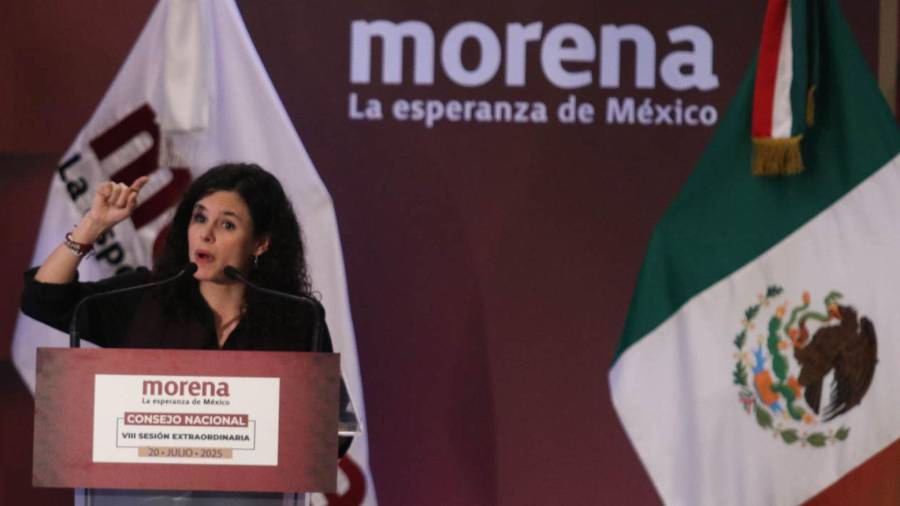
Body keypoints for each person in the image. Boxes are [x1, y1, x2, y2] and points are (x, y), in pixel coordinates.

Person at [21, 162, 330, 353]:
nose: (206, 234)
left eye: (227, 225)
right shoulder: (146, 299)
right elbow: (43, 299)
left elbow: (331, 424)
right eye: (200, 218)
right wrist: (93, 225)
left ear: (260, 243)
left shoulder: (299, 320)